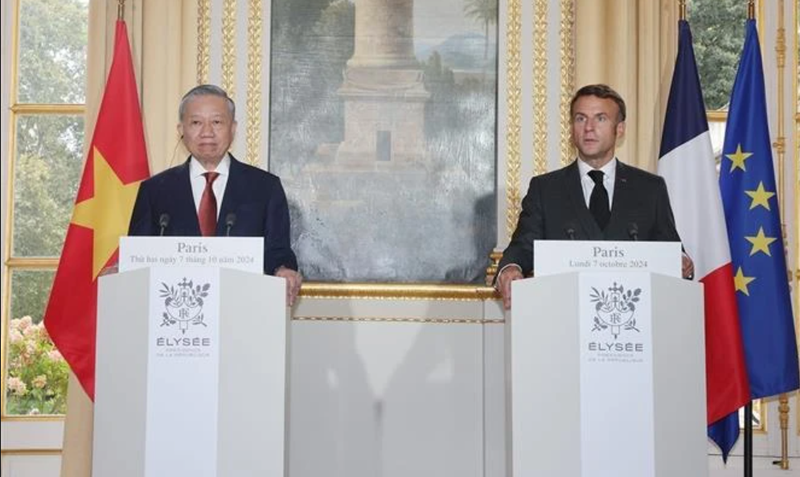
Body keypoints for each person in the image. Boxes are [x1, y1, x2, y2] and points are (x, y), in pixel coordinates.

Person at [496, 84, 693, 309]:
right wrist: (510, 267)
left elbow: (671, 250)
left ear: (619, 129)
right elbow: (523, 246)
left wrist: (682, 263)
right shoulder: (545, 188)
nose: (588, 128)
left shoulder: (650, 188)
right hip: (562, 318)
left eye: (600, 119)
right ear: (571, 128)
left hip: (632, 323)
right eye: (580, 119)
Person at [128, 84, 302, 305]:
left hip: (243, 311)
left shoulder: (265, 188)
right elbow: (140, 253)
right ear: (181, 129)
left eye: (217, 122)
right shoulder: (155, 191)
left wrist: (284, 270)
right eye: (196, 123)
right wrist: (125, 269)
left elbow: (278, 251)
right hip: (175, 317)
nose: (207, 132)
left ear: (233, 128)